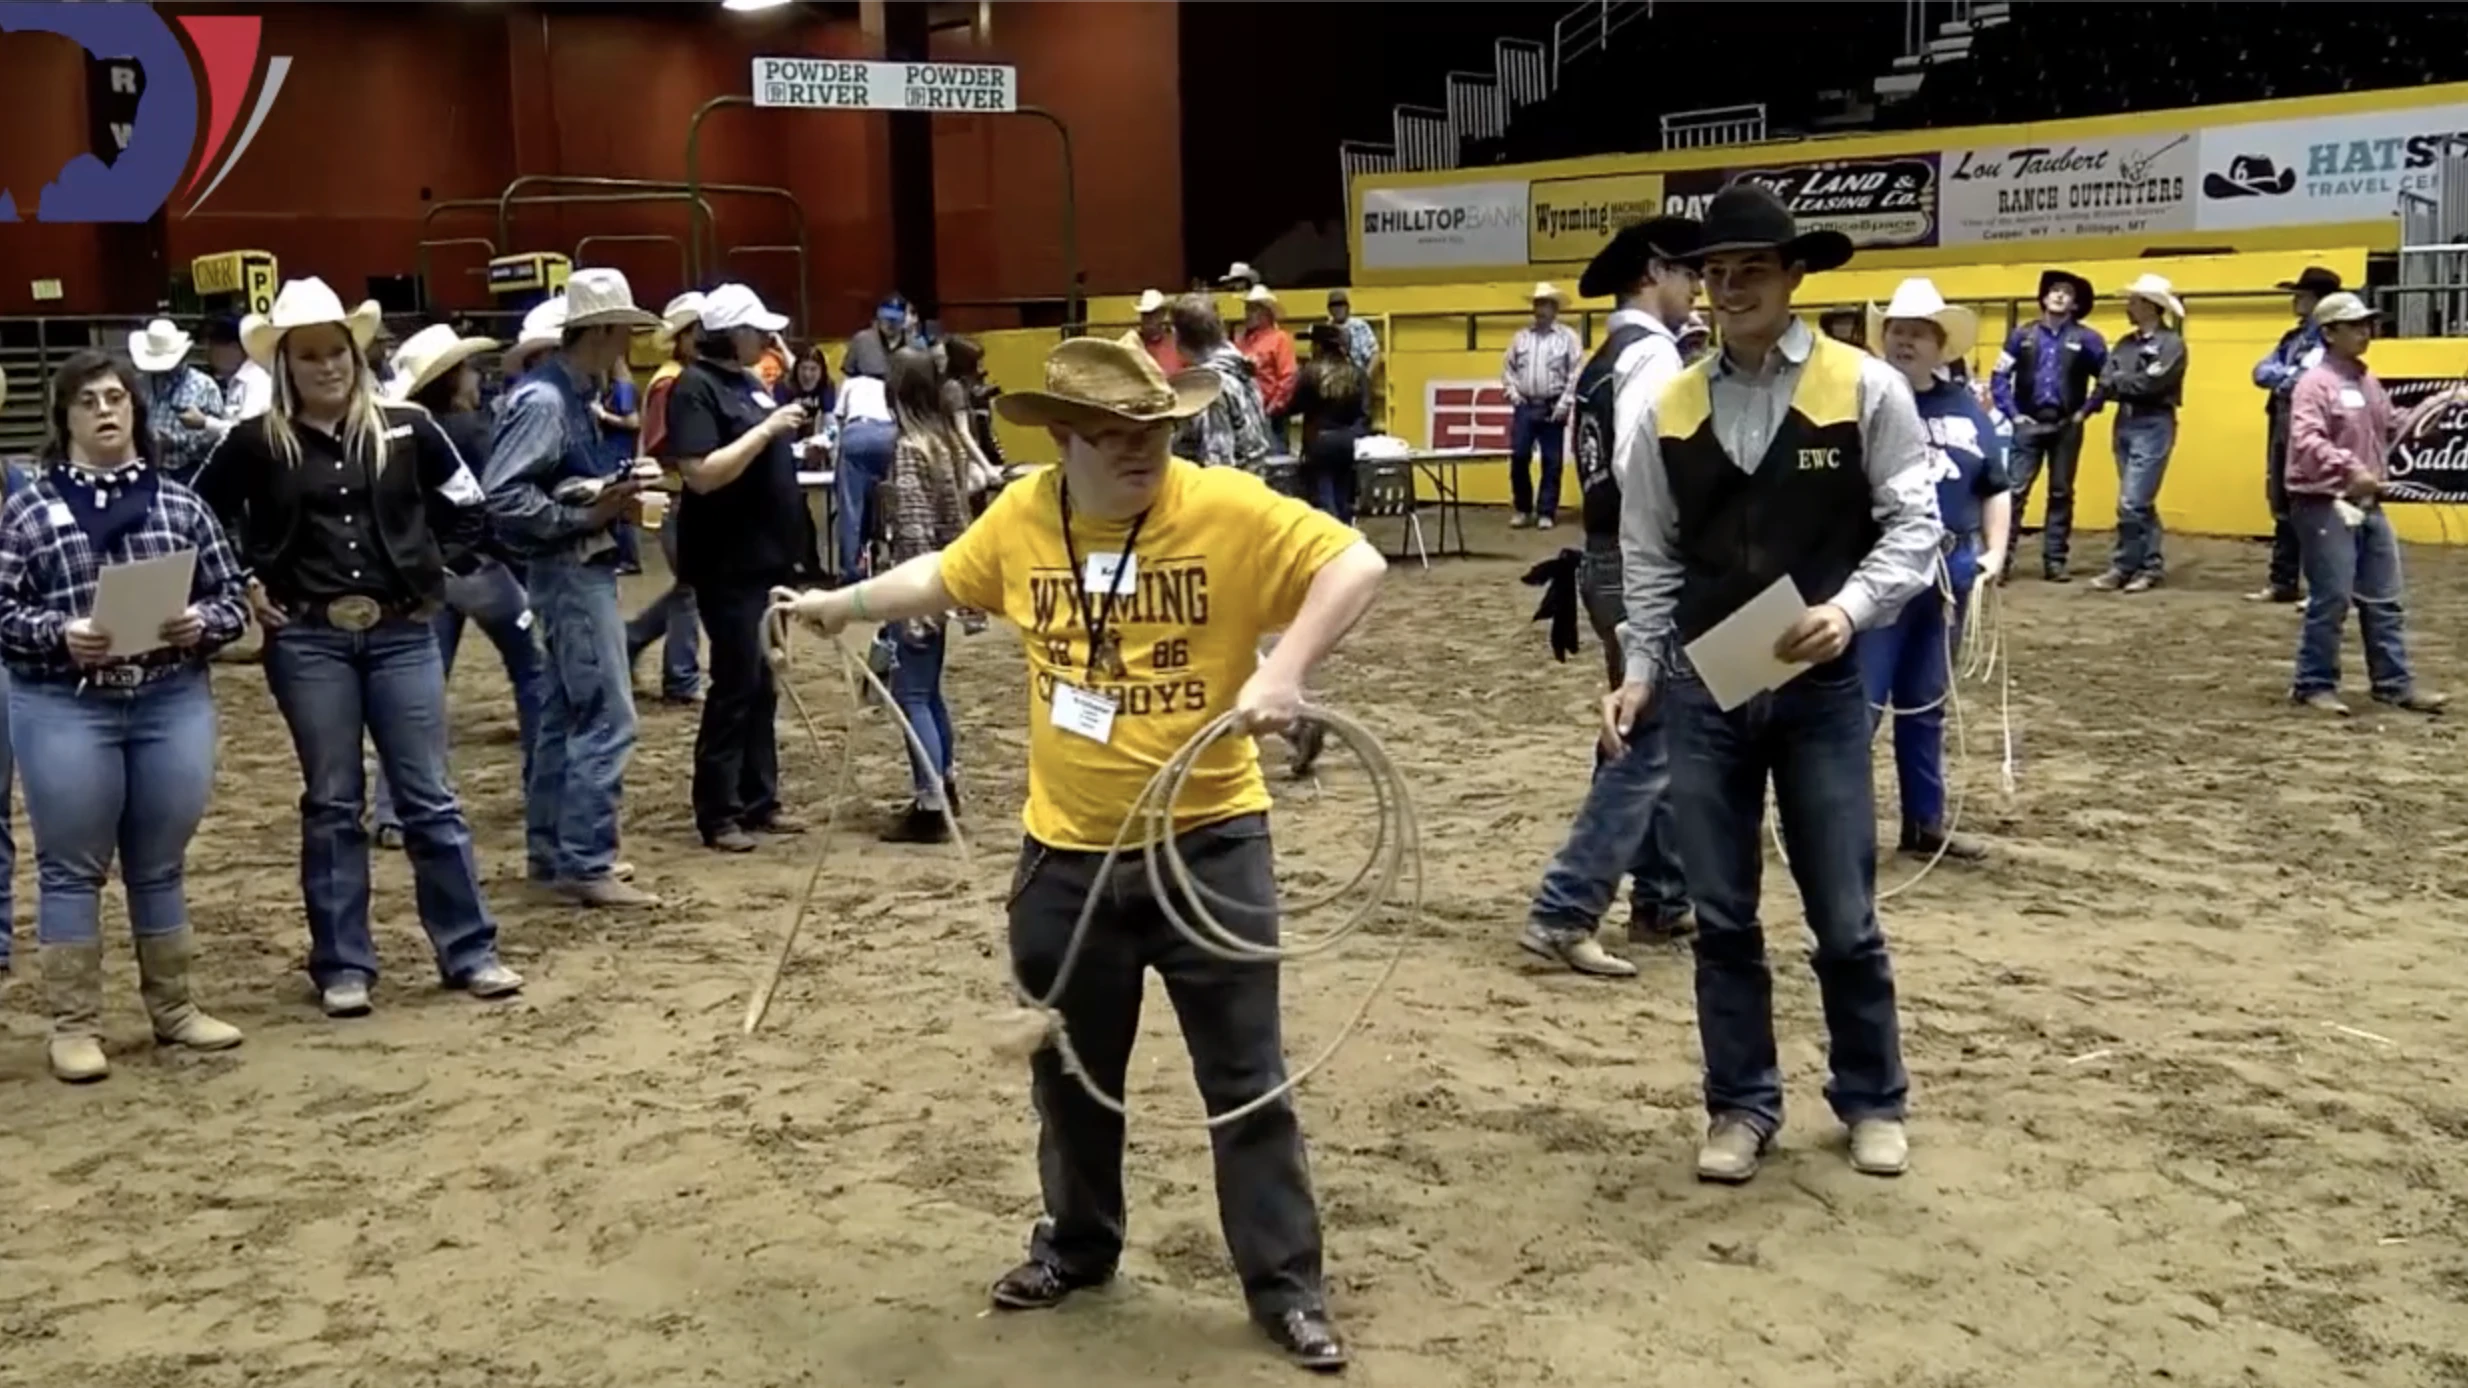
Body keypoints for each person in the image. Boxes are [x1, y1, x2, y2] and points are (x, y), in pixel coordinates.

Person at [770, 334, 1381, 1371]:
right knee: (1068, 1071)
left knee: (1244, 1077)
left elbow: (1354, 560)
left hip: (1208, 842)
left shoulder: (1224, 507)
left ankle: (1285, 1283)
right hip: (1064, 853)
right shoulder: (1021, 515)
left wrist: (1287, 671)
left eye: (1154, 430)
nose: (1143, 449)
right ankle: (1079, 1245)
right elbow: (945, 576)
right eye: (1114, 434)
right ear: (1062, 439)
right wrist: (842, 603)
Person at [1606, 184, 1938, 1185]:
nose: (1728, 285)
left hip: (1820, 686)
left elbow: (1915, 523)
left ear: (1796, 275)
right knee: (1723, 913)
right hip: (1709, 687)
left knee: (1843, 908)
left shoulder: (1865, 387)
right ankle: (1740, 1104)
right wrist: (1638, 671)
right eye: (1713, 271)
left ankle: (1870, 1096)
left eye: (1751, 267)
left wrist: (1851, 609)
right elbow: (1648, 556)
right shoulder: (1668, 405)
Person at [193, 277, 524, 1016]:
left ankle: (469, 950)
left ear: (356, 352)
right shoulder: (253, 443)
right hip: (307, 634)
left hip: (403, 628)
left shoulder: (408, 427)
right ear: (286, 365)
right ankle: (344, 963)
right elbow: (194, 513)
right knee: (333, 799)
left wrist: (430, 568)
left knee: (429, 794)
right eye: (308, 356)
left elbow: (471, 508)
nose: (327, 367)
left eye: (336, 352)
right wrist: (242, 580)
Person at [0, 351, 250, 1081]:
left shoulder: (182, 503)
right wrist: (61, 634)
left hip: (169, 694)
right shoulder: (27, 508)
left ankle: (172, 1010)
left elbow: (232, 596)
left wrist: (201, 622)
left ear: (136, 411)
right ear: (65, 419)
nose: (106, 410)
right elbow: (3, 608)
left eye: (116, 398)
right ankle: (73, 1025)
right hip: (64, 701)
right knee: (71, 864)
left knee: (160, 861)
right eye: (88, 402)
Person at [1521, 217, 1703, 978]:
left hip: (1602, 562)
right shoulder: (1654, 355)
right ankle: (1566, 908)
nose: (1697, 288)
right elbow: (1645, 462)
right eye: (1688, 273)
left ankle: (1661, 893)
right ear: (1653, 271)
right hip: (1641, 564)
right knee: (1655, 740)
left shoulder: (1604, 358)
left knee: (1639, 730)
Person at [481, 270, 666, 909]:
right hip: (569, 568)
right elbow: (502, 495)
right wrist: (584, 515)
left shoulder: (566, 394)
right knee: (607, 715)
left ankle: (557, 852)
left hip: (565, 569)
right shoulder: (550, 402)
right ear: (608, 329)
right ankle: (586, 858)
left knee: (564, 714)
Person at [369, 323, 547, 848]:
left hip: (430, 574)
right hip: (483, 571)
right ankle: (542, 784)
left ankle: (391, 809)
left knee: (417, 694)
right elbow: (491, 504)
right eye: (467, 370)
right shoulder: (471, 430)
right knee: (533, 673)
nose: (475, 378)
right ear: (451, 378)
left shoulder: (402, 433)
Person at [1856, 278, 2011, 863]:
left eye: (1917, 332)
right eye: (1897, 330)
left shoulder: (1967, 407)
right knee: (1862, 703)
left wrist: (1994, 553)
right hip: (1884, 568)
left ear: (1939, 342)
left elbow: (1995, 486)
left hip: (1950, 569)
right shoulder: (1865, 399)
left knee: (1924, 700)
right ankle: (1833, 824)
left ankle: (1924, 822)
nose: (1905, 341)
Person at [665, 283, 819, 853]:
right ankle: (718, 810)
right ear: (733, 334)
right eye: (758, 330)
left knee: (764, 683)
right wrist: (768, 431)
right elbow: (701, 473)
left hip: (766, 561)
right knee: (736, 683)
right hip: (728, 563)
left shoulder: (747, 384)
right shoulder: (695, 388)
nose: (768, 340)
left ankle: (759, 799)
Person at [2284, 293, 2446, 718]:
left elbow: (2390, 425)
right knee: (2333, 596)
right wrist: (2351, 468)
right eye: (2354, 325)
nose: (2364, 331)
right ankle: (2313, 683)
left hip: (2363, 501)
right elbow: (2306, 441)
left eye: (2366, 324)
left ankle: (2392, 684)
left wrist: (2431, 410)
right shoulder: (2314, 384)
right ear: (2329, 333)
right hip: (2324, 501)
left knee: (2384, 598)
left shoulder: (2366, 382)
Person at [866, 346, 980, 843]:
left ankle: (929, 801)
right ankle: (944, 782)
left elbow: (913, 526)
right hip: (946, 577)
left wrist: (908, 601)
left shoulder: (911, 447)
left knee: (912, 694)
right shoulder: (946, 443)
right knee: (928, 693)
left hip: (920, 582)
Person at [1989, 268, 2106, 581]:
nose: (2059, 295)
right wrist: (2013, 414)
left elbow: (2107, 378)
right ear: (2043, 296)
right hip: (2028, 423)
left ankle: (2055, 561)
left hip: (2067, 424)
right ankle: (2001, 559)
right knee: (2014, 491)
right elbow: (1999, 376)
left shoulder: (2088, 339)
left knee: (2060, 492)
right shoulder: (2021, 336)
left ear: (2075, 304)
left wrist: (2087, 410)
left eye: (2067, 292)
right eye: (2055, 290)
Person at [629, 292, 705, 706]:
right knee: (691, 587)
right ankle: (680, 675)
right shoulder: (670, 381)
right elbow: (658, 442)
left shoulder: (675, 377)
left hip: (679, 493)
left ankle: (635, 638)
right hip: (673, 493)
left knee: (689, 586)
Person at [2092, 274, 2188, 593]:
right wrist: (2125, 381)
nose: (2128, 306)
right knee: (2137, 500)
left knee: (2132, 500)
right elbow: (2109, 380)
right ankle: (2143, 565)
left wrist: (2120, 381)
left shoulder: (2171, 344)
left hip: (2152, 422)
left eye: (2133, 301)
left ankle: (2130, 565)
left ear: (2149, 306)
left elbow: (2150, 384)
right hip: (2129, 422)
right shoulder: (2127, 343)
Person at [2250, 266, 2340, 604]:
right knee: (2283, 500)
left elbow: (2300, 380)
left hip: (2308, 422)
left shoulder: (2326, 340)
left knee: (2311, 500)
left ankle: (2319, 584)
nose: (2295, 301)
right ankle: (2283, 579)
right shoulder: (2292, 338)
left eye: (2301, 296)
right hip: (2282, 419)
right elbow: (2261, 372)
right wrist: (2287, 375)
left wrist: (2284, 376)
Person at [1501, 283, 1583, 529]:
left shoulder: (1568, 338)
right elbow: (1508, 369)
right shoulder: (1521, 338)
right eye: (1538, 304)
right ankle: (1523, 508)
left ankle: (1546, 510)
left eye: (1546, 304)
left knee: (1552, 460)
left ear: (1555, 309)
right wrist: (1514, 394)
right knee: (1519, 456)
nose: (1541, 309)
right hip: (1525, 405)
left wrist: (1564, 403)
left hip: (1552, 405)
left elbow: (1576, 371)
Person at [1169, 294, 1271, 470]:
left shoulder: (1211, 387)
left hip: (1232, 489)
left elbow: (1219, 463)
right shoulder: (1240, 366)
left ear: (1178, 335)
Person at [1288, 325, 1369, 523]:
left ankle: (1333, 540)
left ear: (1318, 345)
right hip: (1349, 442)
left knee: (1324, 499)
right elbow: (1365, 412)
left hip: (1319, 442)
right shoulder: (1356, 373)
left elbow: (1294, 406)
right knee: (1344, 498)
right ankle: (1346, 535)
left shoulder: (1310, 372)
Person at [129, 317, 226, 483]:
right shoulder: (141, 384)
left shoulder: (203, 387)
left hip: (190, 471)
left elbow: (218, 439)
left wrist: (177, 441)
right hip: (147, 467)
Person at [832, 347, 900, 582]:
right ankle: (893, 560)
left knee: (852, 508)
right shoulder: (887, 385)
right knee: (889, 502)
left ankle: (851, 570)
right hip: (889, 434)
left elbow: (838, 422)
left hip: (857, 433)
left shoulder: (850, 384)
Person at [1236, 286, 1298, 455]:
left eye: (1253, 309)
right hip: (1247, 411)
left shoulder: (1280, 339)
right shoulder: (1244, 340)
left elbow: (1288, 376)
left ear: (1266, 313)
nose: (1247, 314)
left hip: (1270, 412)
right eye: (1247, 309)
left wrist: (1272, 408)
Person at [597, 357, 644, 574]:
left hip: (619, 451)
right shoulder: (615, 387)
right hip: (614, 451)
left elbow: (633, 422)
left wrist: (603, 415)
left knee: (622, 508)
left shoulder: (622, 389)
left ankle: (628, 559)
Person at [201, 314, 272, 431]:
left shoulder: (257, 381)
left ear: (234, 348)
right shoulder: (235, 380)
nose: (208, 354)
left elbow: (248, 430)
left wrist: (205, 422)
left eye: (212, 346)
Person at [843, 297, 911, 380]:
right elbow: (848, 375)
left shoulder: (915, 345)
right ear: (878, 316)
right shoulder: (861, 340)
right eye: (886, 318)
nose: (890, 324)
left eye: (895, 320)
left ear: (904, 319)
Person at [1120, 289, 1185, 374]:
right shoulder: (1130, 343)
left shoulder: (1177, 342)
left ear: (1162, 314)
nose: (1149, 319)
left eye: (1153, 314)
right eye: (1145, 314)